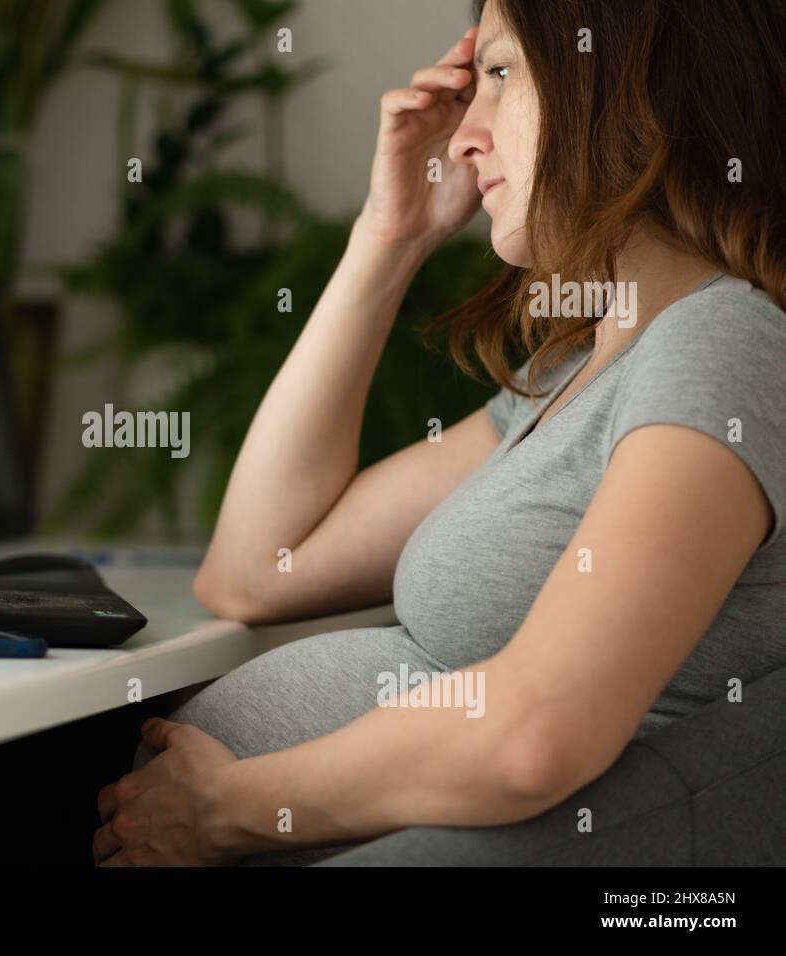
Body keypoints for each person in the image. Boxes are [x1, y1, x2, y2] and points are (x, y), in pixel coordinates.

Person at [91, 0, 786, 866]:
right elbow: (254, 573)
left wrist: (227, 810)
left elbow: (534, 735)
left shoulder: (724, 340)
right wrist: (388, 240)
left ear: (626, 80)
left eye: (499, 74)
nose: (462, 136)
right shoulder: (570, 379)